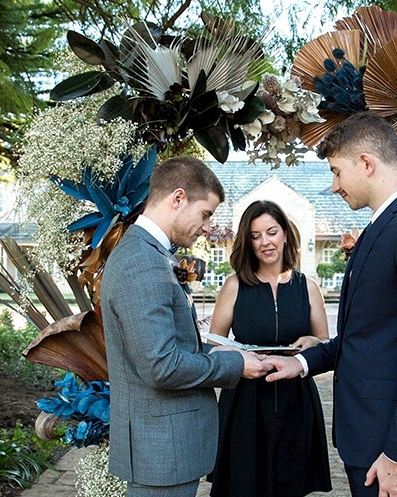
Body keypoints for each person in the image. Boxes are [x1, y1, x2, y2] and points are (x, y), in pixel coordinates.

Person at [264, 111, 397, 497]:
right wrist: (302, 362)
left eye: (337, 171)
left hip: (394, 450)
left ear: (366, 163)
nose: (334, 185)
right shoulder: (382, 227)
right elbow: (367, 335)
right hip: (370, 440)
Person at [101, 155, 271, 497]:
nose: (208, 226)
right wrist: (235, 363)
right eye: (205, 214)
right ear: (177, 199)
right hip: (161, 451)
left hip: (166, 449)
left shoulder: (152, 255)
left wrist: (220, 349)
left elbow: (171, 345)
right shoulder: (142, 262)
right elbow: (161, 366)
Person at [206, 200, 332, 497]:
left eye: (271, 232)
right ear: (247, 243)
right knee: (242, 486)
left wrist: (313, 343)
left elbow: (326, 346)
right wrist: (240, 358)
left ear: (286, 234)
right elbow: (214, 346)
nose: (265, 242)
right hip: (245, 404)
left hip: (296, 403)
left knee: (292, 485)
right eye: (255, 235)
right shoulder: (234, 285)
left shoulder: (308, 287)